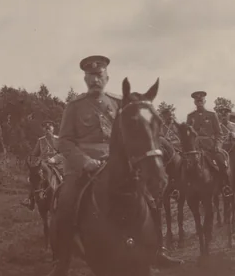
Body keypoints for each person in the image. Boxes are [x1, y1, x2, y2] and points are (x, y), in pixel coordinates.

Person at [47, 55, 181, 276]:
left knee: (150, 198)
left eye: (99, 75)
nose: (95, 79)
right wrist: (85, 162)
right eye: (91, 75)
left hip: (116, 162)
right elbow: (64, 141)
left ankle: (157, 249)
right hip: (83, 167)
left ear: (107, 77)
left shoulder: (119, 102)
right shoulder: (74, 106)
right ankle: (61, 260)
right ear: (85, 78)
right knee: (65, 201)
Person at [187, 91, 229, 178]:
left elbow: (219, 133)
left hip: (210, 146)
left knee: (221, 160)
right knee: (182, 164)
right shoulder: (191, 116)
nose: (199, 102)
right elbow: (188, 134)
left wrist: (218, 146)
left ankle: (225, 185)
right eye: (197, 100)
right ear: (194, 102)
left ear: (204, 101)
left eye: (201, 100)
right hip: (195, 147)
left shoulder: (212, 115)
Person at [22, 120, 62, 209]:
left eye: (50, 126)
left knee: (65, 177)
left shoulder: (58, 139)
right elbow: (34, 154)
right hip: (43, 164)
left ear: (53, 128)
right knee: (34, 177)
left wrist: (53, 159)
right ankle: (30, 200)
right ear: (43, 129)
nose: (47, 129)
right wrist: (35, 161)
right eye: (45, 127)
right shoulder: (41, 140)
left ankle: (65, 199)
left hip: (57, 164)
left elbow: (63, 153)